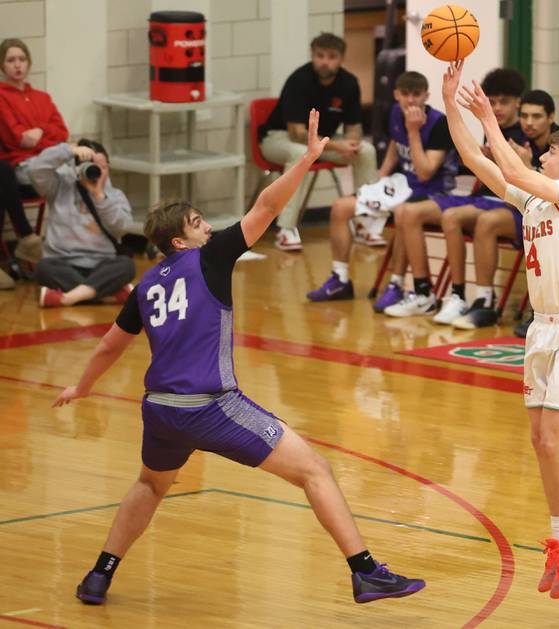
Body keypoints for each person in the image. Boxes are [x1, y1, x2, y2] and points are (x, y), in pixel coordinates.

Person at [54, 110, 424, 607]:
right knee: (315, 469)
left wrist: (82, 386)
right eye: (198, 223)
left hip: (160, 409)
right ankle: (366, 572)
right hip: (210, 405)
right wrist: (308, 159)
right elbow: (268, 206)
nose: (210, 227)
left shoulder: (145, 284)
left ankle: (99, 574)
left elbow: (108, 346)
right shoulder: (208, 257)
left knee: (149, 484)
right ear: (180, 241)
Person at [443, 60, 559, 599]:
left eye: (553, 149)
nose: (544, 150)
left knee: (555, 441)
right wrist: (451, 103)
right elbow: (476, 160)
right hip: (540, 330)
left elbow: (511, 168)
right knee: (540, 442)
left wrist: (489, 114)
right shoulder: (534, 197)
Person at [306, 71, 458, 312]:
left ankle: (396, 285)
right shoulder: (395, 112)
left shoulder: (439, 123)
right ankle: (340, 279)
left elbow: (425, 172)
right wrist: (381, 176)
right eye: (405, 94)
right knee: (340, 208)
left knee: (403, 214)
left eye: (416, 95)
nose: (410, 100)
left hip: (433, 190)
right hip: (402, 182)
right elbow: (395, 145)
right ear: (397, 95)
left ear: (426, 96)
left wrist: (413, 132)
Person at [382, 68, 526, 319]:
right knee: (407, 211)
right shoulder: (491, 126)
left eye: (504, 101)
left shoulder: (527, 133)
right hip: (481, 197)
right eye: (492, 102)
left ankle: (459, 295)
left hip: (509, 203)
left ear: (518, 102)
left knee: (452, 217)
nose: (498, 107)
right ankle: (423, 293)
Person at [259, 33, 376, 251]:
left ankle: (366, 223)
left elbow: (354, 127)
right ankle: (286, 230)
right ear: (312, 56)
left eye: (331, 57)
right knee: (299, 153)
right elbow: (297, 133)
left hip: (322, 142)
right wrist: (337, 146)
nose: (325, 62)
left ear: (341, 59)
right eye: (320, 56)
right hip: (278, 138)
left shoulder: (349, 83)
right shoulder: (299, 80)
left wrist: (352, 144)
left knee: (366, 151)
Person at [460, 89, 559, 332]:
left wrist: (526, 167)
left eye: (536, 116)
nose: (529, 122)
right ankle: (485, 299)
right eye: (524, 116)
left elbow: (553, 194)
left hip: (557, 215)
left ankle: (542, 311)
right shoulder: (513, 139)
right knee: (486, 221)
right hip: (524, 209)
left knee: (542, 232)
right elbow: (510, 194)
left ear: (551, 118)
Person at [26, 139, 135, 308]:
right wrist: (69, 151)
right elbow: (34, 169)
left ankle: (68, 298)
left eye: (102, 167)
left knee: (126, 265)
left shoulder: (115, 195)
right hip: (63, 262)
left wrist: (99, 196)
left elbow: (123, 227)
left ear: (109, 168)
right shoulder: (59, 186)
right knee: (43, 267)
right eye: (91, 167)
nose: (97, 172)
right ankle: (102, 294)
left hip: (102, 264)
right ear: (77, 168)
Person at [0, 38, 68, 269]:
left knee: (80, 174)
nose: (17, 65)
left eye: (22, 59)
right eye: (11, 60)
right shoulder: (2, 96)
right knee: (67, 179)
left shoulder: (42, 97)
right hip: (23, 165)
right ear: (2, 66)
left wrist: (40, 131)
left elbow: (62, 132)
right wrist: (45, 136)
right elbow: (18, 138)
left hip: (50, 162)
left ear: (29, 63)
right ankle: (51, 248)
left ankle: (76, 246)